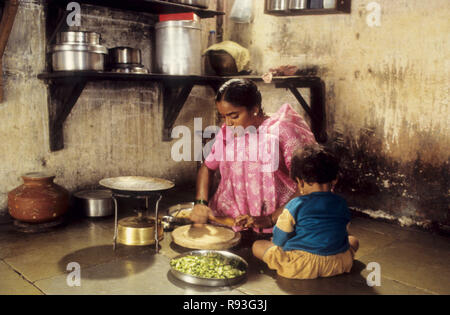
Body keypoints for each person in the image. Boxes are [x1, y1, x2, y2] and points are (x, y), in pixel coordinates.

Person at [190, 79, 316, 232]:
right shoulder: (228, 132)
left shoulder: (283, 131)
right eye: (224, 117)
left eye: (234, 116)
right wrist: (201, 203)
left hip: (281, 220)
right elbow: (207, 168)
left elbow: (311, 183)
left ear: (254, 109)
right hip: (232, 220)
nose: (228, 123)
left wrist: (271, 218)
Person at [252, 144, 360, 279]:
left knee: (258, 246)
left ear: (300, 182)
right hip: (338, 264)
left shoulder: (295, 205)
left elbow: (280, 238)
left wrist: (276, 243)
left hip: (301, 266)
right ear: (335, 179)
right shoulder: (341, 203)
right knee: (353, 240)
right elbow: (342, 230)